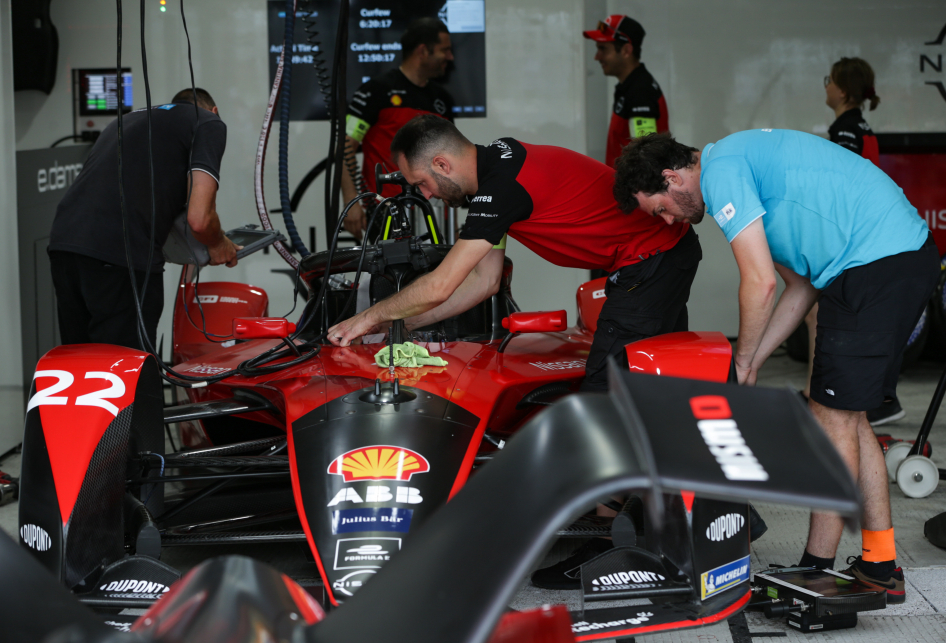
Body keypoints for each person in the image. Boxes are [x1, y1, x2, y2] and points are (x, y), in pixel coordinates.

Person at [615, 129, 939, 603]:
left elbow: (759, 283)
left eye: (661, 206)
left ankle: (817, 568)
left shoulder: (722, 172)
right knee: (848, 417)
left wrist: (742, 361)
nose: (667, 220)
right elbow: (798, 287)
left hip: (877, 263)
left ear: (673, 177)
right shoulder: (742, 165)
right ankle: (880, 563)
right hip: (884, 261)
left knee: (829, 415)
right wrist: (751, 362)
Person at [328, 114, 700, 388]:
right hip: (659, 256)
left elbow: (441, 285)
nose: (425, 195)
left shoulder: (500, 190)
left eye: (422, 183)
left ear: (443, 164)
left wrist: (368, 317)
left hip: (654, 256)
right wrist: (401, 324)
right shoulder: (495, 168)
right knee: (659, 379)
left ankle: (613, 495)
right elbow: (484, 281)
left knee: (607, 390)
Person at [49, 88, 239, 351]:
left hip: (64, 244)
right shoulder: (208, 121)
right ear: (214, 110)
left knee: (80, 367)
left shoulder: (127, 119)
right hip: (118, 254)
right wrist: (219, 244)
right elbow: (200, 219)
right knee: (127, 370)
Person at [803, 58, 899, 423]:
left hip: (850, 237)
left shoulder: (846, 129)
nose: (825, 85)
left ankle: (828, 395)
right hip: (865, 233)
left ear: (842, 90)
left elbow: (840, 189)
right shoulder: (859, 125)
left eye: (828, 80)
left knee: (819, 311)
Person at [342, 17, 455, 240]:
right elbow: (344, 147)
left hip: (432, 212)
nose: (450, 57)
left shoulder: (442, 99)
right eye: (445, 50)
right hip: (386, 209)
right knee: (389, 274)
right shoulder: (376, 91)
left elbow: (453, 159)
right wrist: (350, 201)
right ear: (423, 50)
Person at [582, 15, 668, 169]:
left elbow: (646, 156)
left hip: (634, 190)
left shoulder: (640, 91)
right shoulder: (631, 85)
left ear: (626, 50)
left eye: (603, 49)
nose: (597, 57)